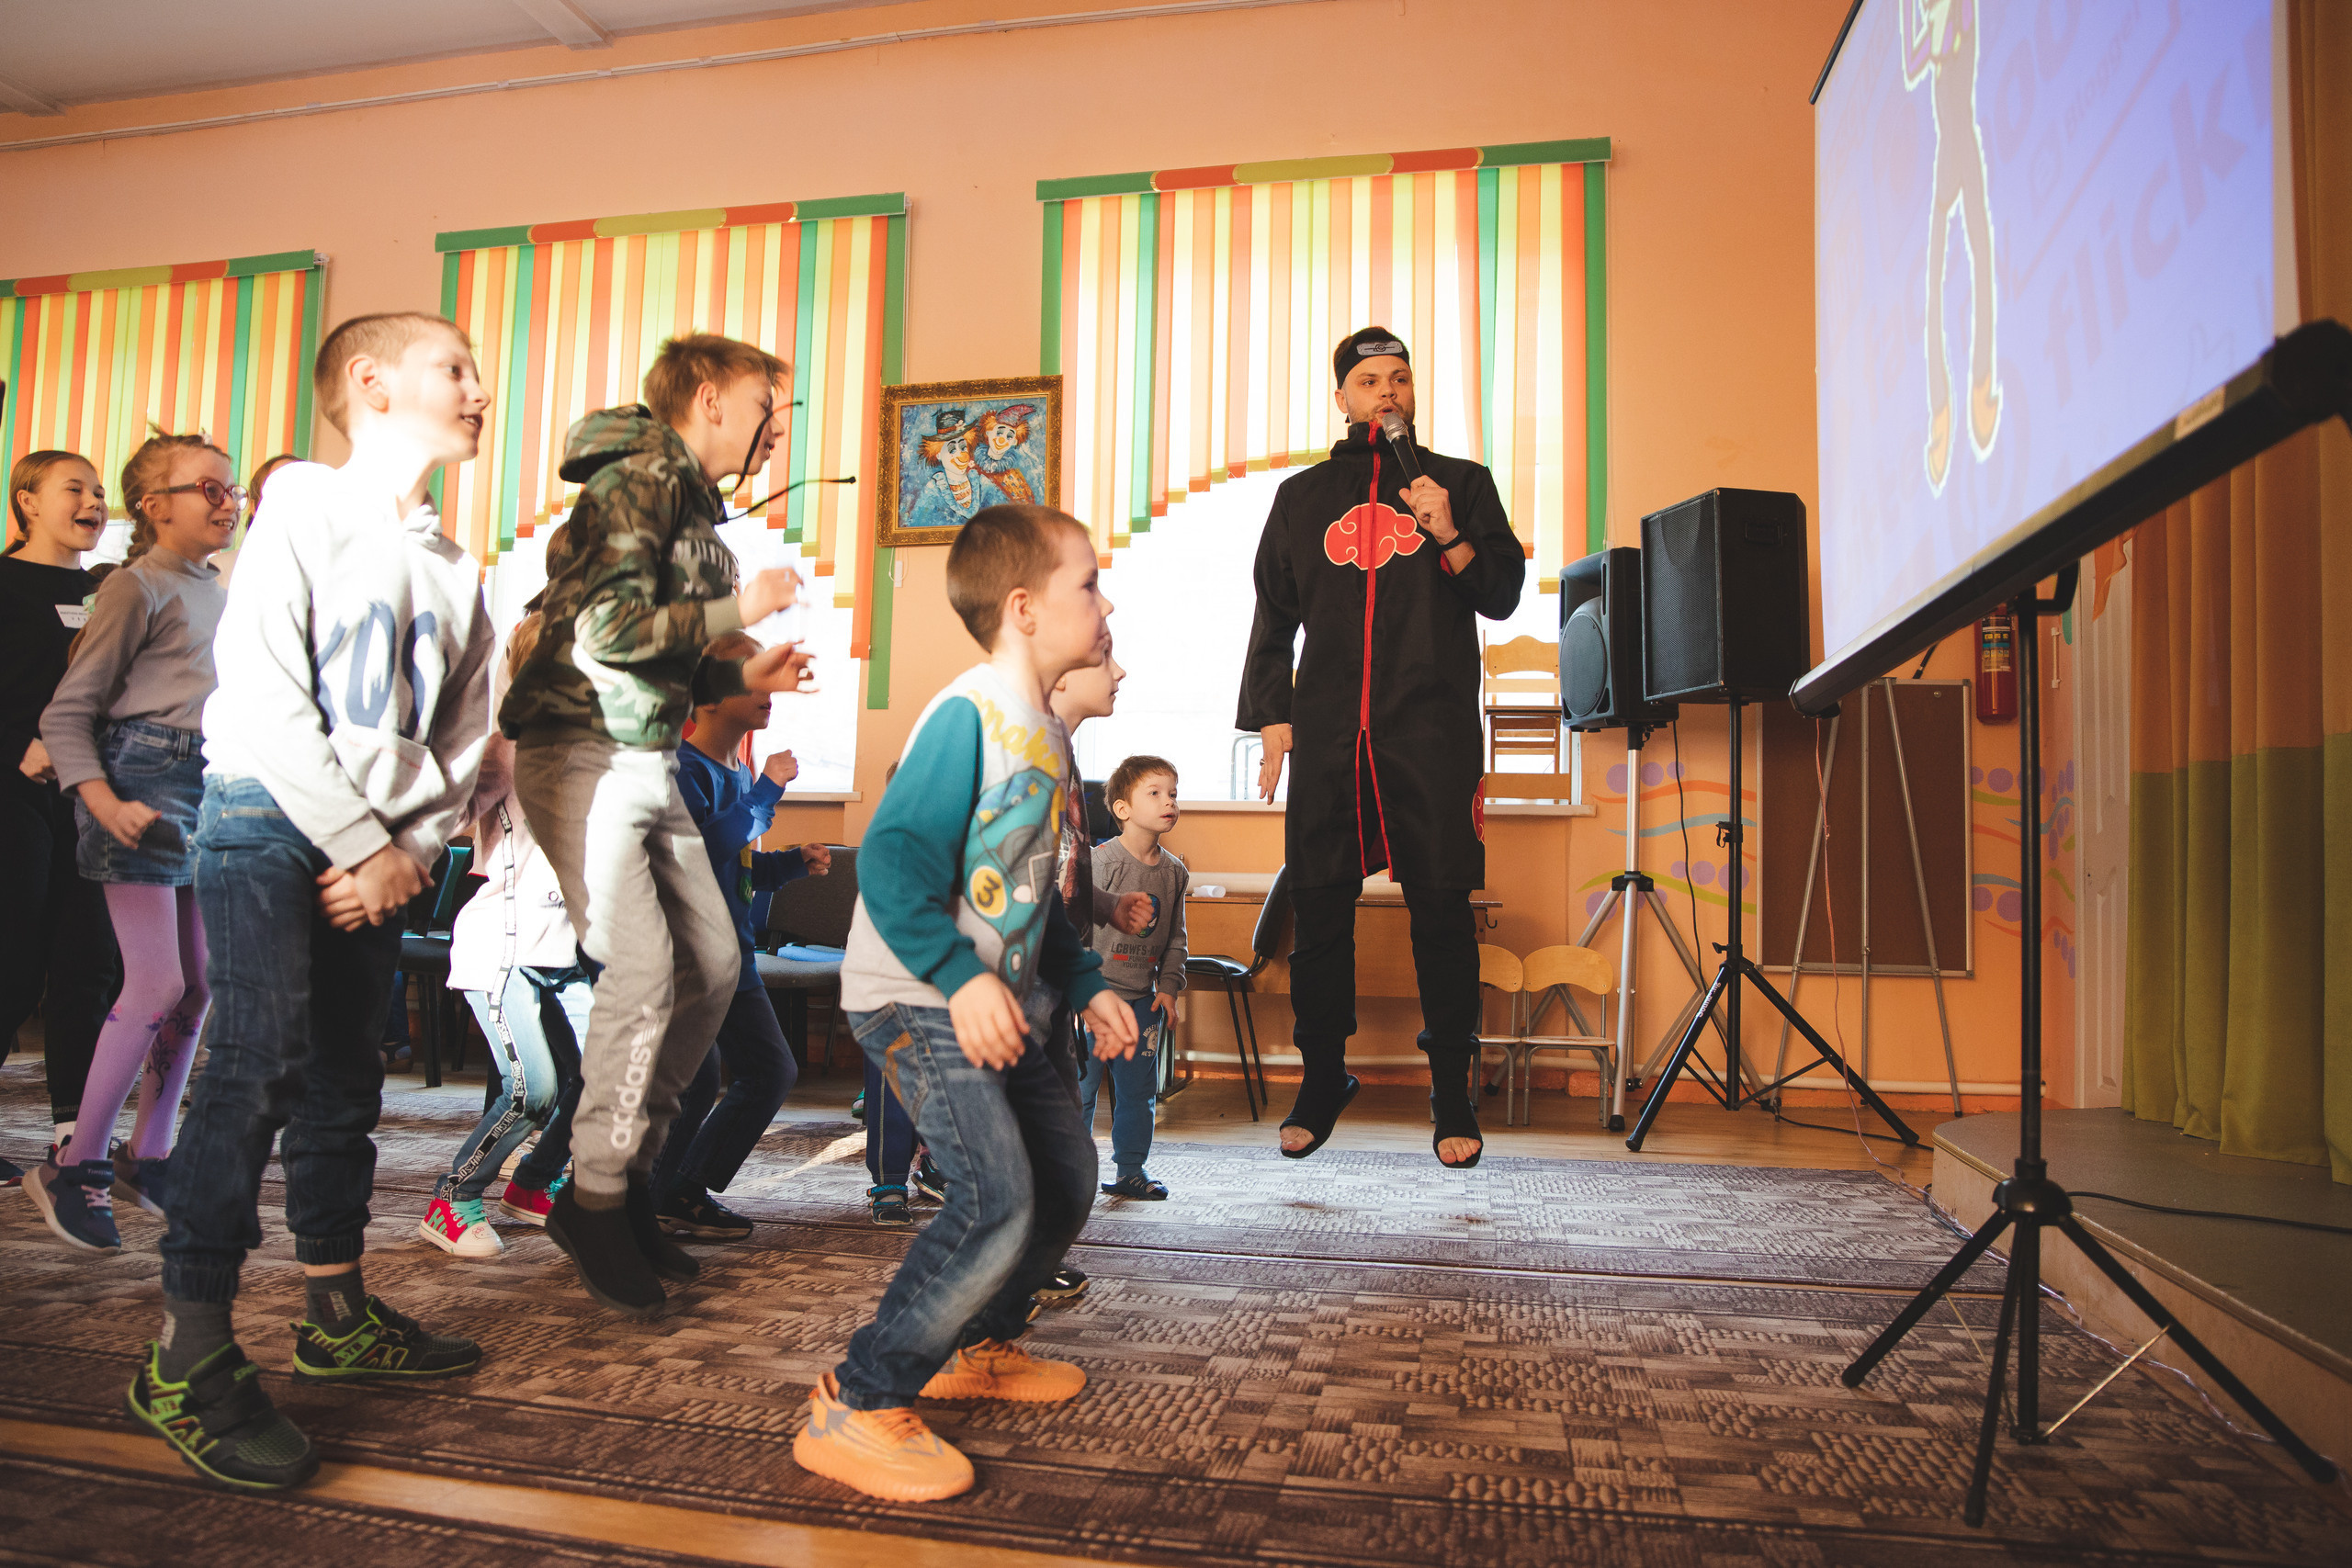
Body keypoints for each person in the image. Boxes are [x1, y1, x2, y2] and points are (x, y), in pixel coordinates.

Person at [128, 311, 499, 1492]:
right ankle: (186, 1353)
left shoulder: (452, 561)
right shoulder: (301, 511)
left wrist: (405, 846)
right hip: (266, 817)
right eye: (457, 368)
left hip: (375, 850)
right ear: (371, 383)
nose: (481, 388)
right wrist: (358, 839)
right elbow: (268, 702)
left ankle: (334, 1313)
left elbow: (468, 736)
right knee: (257, 1059)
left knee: (346, 1070)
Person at [794, 502, 1139, 1503]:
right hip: (917, 996)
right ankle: (859, 1399)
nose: (1104, 602)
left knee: (1067, 1177)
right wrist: (961, 976)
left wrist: (1084, 986)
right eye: (1088, 583)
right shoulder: (971, 715)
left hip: (999, 1002)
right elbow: (893, 868)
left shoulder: (1044, 736)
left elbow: (1038, 899)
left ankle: (976, 1345)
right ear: (1025, 609)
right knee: (995, 1196)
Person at [500, 331, 812, 1319]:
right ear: (713, 398)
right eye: (769, 406)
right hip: (576, 749)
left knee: (713, 966)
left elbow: (658, 660)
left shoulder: (693, 510)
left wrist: (739, 671)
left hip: (642, 752)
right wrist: (737, 605)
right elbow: (607, 633)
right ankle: (590, 1196)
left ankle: (629, 1175)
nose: (776, 431)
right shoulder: (637, 481)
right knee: (641, 968)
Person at [1239, 327, 1524, 1168]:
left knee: (1441, 910)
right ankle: (1323, 1076)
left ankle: (1450, 1092)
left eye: (1399, 377)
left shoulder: (1462, 485)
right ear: (1342, 398)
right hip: (1330, 735)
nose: (1387, 392)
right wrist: (1272, 716)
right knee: (1321, 909)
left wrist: (1446, 531)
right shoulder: (1301, 496)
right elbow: (1271, 615)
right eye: (1369, 380)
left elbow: (1502, 594)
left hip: (1429, 730)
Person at [30, 434, 236, 1251]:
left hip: (204, 784)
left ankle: (148, 1154)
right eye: (208, 488)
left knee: (200, 985)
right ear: (153, 507)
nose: (227, 501)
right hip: (140, 780)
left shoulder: (215, 589)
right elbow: (66, 711)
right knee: (154, 982)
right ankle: (74, 1162)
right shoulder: (133, 584)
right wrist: (100, 796)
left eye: (232, 491)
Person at [417, 611, 591, 1257]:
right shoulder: (508, 750)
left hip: (567, 949)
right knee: (532, 1088)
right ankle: (453, 1196)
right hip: (504, 948)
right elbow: (440, 814)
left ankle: (536, 1182)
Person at [651, 629, 828, 1241]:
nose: (769, 690)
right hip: (692, 957)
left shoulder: (735, 768)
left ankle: (681, 1187)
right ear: (708, 694)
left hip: (736, 955)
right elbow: (703, 850)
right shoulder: (684, 768)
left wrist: (787, 865)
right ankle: (646, 1200)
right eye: (752, 678)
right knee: (693, 1081)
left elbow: (739, 863)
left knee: (771, 1070)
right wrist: (768, 790)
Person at [2, 451, 124, 1188]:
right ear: (27, 501)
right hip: (13, 792)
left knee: (89, 965)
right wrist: (19, 746)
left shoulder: (109, 593)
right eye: (74, 488)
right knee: (12, 964)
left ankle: (74, 1135)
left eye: (100, 491)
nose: (92, 501)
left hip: (88, 796)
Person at [1080, 754, 1188, 1201]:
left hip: (1142, 1003)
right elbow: (1076, 929)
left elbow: (1176, 938)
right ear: (1122, 809)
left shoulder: (1175, 872)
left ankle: (1130, 1171)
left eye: (1173, 794)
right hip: (1090, 1000)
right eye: (1156, 793)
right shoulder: (1099, 864)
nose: (1169, 802)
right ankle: (1070, 1171)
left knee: (1138, 1094)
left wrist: (1168, 989)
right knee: (1079, 1093)